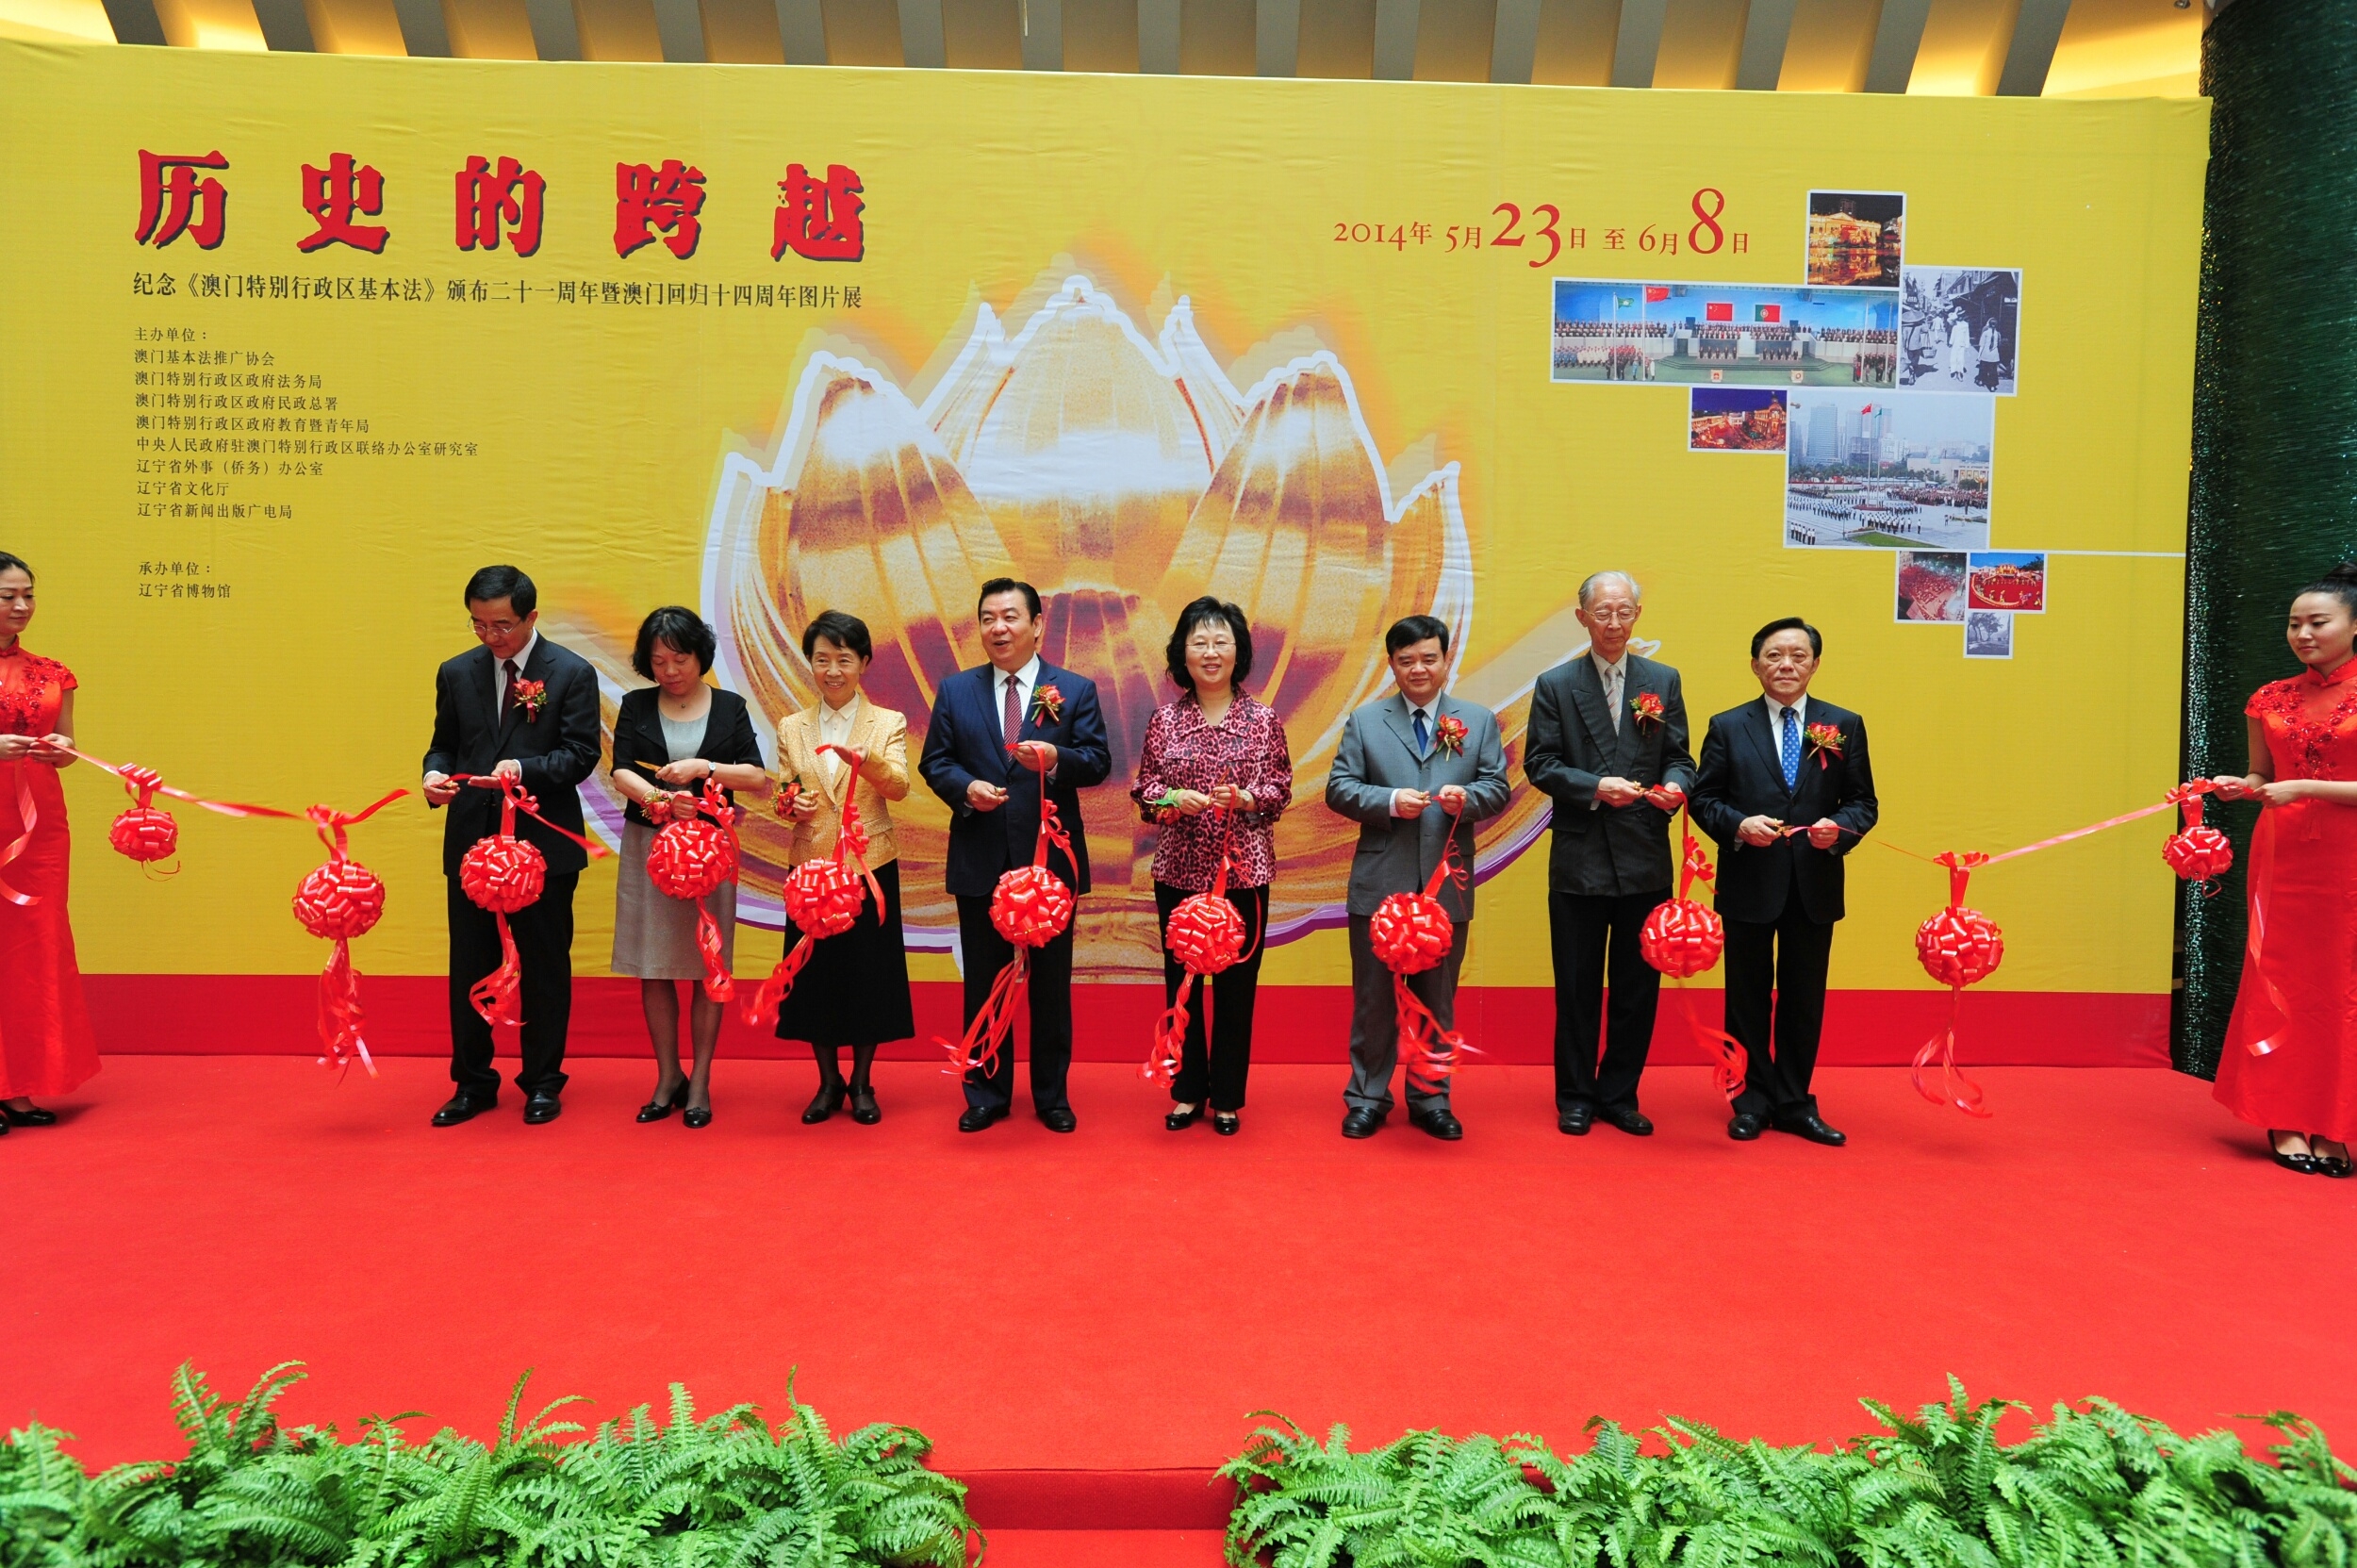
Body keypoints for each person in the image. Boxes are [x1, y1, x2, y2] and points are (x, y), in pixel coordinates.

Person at [917, 579, 1111, 1133]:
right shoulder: (956, 690)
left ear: (1037, 624)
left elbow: (1098, 761)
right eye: (988, 618)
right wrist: (966, 789)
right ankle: (985, 1092)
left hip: (1049, 865)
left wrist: (1056, 756)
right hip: (980, 857)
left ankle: (1051, 1095)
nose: (998, 628)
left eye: (1009, 616)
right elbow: (936, 762)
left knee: (1050, 987)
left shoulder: (1074, 689)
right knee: (983, 982)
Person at [420, 565, 601, 1127]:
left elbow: (581, 754)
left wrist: (525, 768)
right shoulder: (457, 672)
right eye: (478, 624)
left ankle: (542, 1082)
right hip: (474, 848)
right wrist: (433, 776)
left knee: (545, 967)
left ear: (531, 617)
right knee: (470, 966)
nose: (490, 636)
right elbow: (443, 745)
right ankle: (472, 1083)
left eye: (501, 625)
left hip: (542, 846)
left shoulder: (571, 672)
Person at [1690, 617, 1878, 1146]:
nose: (1786, 665)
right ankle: (1749, 1101)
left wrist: (1839, 829)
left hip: (1814, 884)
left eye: (1798, 655)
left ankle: (1795, 1102)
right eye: (1774, 656)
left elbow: (1863, 803)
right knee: (1745, 998)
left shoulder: (1843, 724)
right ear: (1756, 665)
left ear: (1815, 664)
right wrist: (1738, 825)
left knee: (1803, 998)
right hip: (1749, 881)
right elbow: (1705, 799)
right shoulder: (1729, 725)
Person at [1325, 615, 1509, 1140]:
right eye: (1406, 661)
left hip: (1446, 886)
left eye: (1429, 658)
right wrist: (1388, 801)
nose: (1419, 669)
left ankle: (1431, 1098)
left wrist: (1467, 799)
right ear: (1392, 665)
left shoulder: (1477, 720)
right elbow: (1339, 788)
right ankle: (1367, 1096)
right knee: (1374, 1001)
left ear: (1446, 660)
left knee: (1437, 999)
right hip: (1380, 883)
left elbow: (1497, 787)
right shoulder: (1366, 721)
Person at [1524, 571, 1695, 1136]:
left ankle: (1620, 1094)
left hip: (1644, 853)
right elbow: (1540, 764)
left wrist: (1676, 785)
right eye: (1603, 612)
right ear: (1583, 618)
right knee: (1576, 987)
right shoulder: (1556, 684)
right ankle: (1575, 1095)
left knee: (1636, 987)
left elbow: (1680, 757)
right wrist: (1596, 786)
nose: (1614, 623)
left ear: (1637, 614)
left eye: (1624, 611)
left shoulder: (1662, 680)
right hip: (1581, 858)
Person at [2210, 562, 2357, 1178]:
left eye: (2318, 622)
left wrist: (2305, 787)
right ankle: (2284, 1113)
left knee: (2343, 985)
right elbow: (2262, 775)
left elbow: (2297, 783)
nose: (2303, 634)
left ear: (2355, 625)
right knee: (2281, 979)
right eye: (2294, 623)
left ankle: (2335, 1121)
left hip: (2349, 859)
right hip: (2283, 855)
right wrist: (2240, 787)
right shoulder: (2269, 697)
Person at [1131, 597, 1294, 1136]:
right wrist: (1174, 799)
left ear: (1238, 651)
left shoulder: (1263, 719)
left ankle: (1226, 1096)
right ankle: (1186, 1092)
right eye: (1198, 642)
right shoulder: (1166, 719)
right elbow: (1146, 792)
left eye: (1221, 641)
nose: (1210, 651)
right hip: (1179, 871)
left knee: (1236, 988)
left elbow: (1280, 788)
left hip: (1244, 873)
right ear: (1182, 653)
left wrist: (1247, 798)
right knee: (1183, 985)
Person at [608, 606, 770, 1130]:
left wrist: (706, 769)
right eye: (658, 662)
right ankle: (667, 1076)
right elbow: (621, 770)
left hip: (710, 851)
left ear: (700, 656)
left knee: (707, 962)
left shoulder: (729, 708)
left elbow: (756, 777)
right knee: (653, 963)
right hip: (649, 844)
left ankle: (699, 1080)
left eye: (679, 659)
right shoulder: (635, 705)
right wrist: (659, 799)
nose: (670, 671)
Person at [773, 610, 915, 1126]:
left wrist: (866, 762)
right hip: (811, 870)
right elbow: (783, 791)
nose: (832, 670)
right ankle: (828, 1081)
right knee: (815, 977)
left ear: (864, 663)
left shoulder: (888, 722)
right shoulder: (792, 726)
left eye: (844, 660)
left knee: (868, 976)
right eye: (822, 659)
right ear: (810, 663)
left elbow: (899, 786)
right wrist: (791, 804)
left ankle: (862, 1081)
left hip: (868, 866)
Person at [0, 553, 99, 1131]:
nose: (21, 606)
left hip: (37, 826)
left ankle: (20, 1084)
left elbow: (68, 747)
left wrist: (62, 751)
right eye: (8, 596)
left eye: (28, 595)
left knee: (33, 942)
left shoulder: (54, 672)